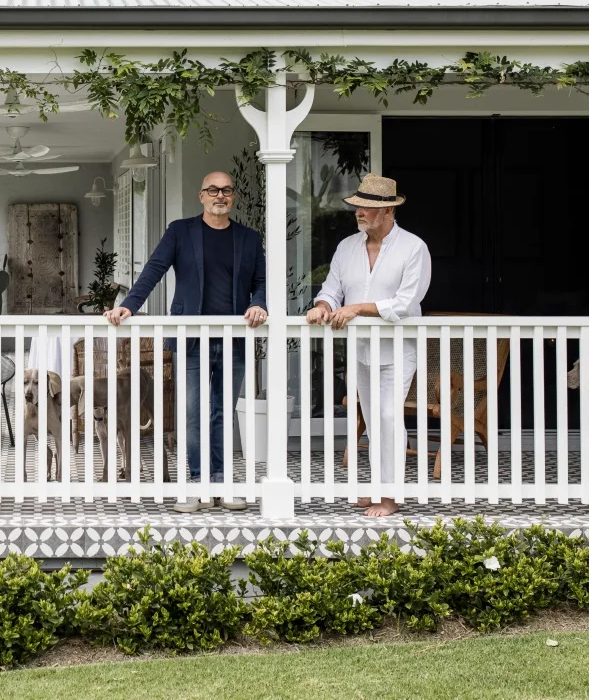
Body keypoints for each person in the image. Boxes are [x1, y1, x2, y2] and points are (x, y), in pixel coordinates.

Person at [105, 171, 267, 513]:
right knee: (194, 413)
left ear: (233, 197)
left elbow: (262, 281)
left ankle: (221, 482)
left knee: (222, 413)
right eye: (213, 190)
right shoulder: (181, 231)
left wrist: (258, 303)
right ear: (201, 195)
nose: (219, 195)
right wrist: (128, 305)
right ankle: (196, 484)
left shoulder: (249, 238)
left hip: (233, 339)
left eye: (226, 190)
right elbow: (154, 269)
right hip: (191, 337)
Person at [306, 173, 431, 518]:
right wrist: (323, 306)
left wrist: (357, 308)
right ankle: (378, 487)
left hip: (398, 348)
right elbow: (332, 288)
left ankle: (390, 497)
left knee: (390, 417)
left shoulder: (414, 248)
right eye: (358, 206)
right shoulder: (347, 247)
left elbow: (407, 302)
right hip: (360, 349)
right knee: (373, 418)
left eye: (367, 207)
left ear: (388, 211)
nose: (359, 212)